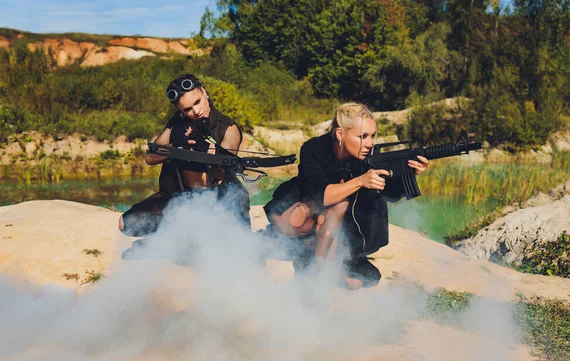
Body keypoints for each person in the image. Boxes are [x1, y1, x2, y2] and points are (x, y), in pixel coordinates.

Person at [263, 103, 430, 289]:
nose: (369, 143)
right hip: (297, 216)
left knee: (357, 282)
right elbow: (320, 196)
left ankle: (315, 263)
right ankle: (313, 270)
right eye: (362, 136)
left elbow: (388, 192)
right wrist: (360, 181)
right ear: (340, 134)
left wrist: (411, 174)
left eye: (372, 136)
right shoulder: (314, 149)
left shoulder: (368, 157)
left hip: (329, 230)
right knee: (337, 204)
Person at [118, 74, 250, 237]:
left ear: (204, 92)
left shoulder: (228, 127)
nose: (196, 111)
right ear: (180, 110)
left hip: (220, 201)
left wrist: (210, 154)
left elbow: (222, 173)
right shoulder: (177, 123)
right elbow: (150, 158)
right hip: (178, 198)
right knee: (127, 223)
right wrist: (179, 146)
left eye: (197, 102)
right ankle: (178, 236)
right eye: (187, 109)